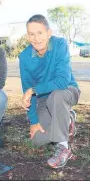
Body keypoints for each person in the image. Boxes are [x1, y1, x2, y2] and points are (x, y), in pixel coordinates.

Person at [18, 14, 81, 168]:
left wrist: (34, 90)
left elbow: (62, 82)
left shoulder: (60, 45)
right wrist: (33, 122)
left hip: (67, 91)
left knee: (56, 96)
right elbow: (28, 91)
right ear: (27, 36)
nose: (36, 38)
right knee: (37, 139)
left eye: (40, 33)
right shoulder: (24, 57)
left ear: (49, 33)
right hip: (42, 99)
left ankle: (63, 147)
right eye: (31, 34)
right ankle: (68, 119)